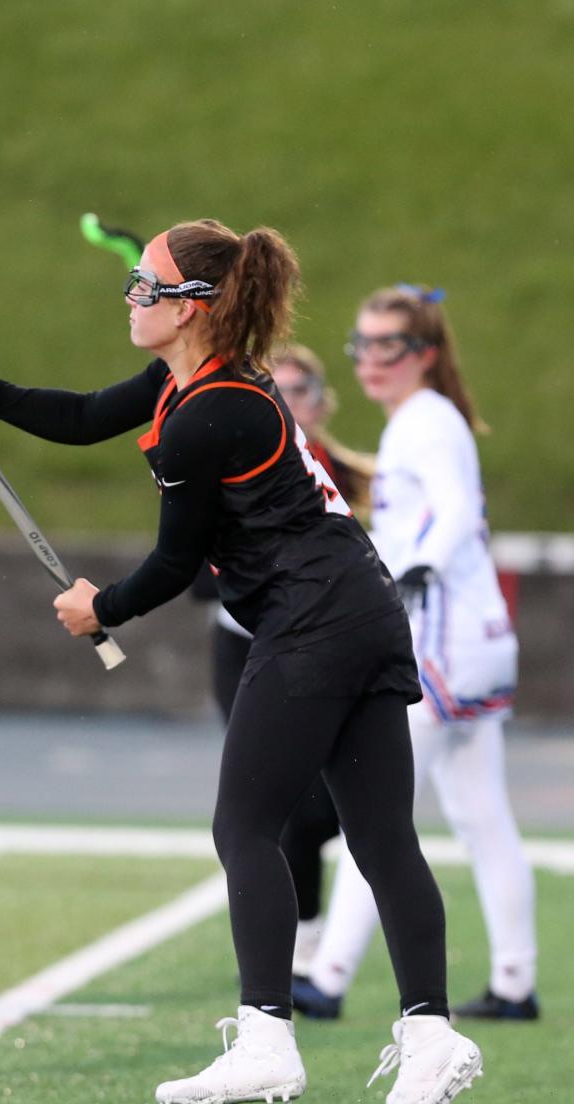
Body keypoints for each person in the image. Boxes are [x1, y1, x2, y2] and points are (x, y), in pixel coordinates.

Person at [0, 221, 482, 1104]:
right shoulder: (196, 378)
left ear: (193, 307)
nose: (130, 296)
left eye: (147, 284)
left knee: (243, 825)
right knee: (382, 836)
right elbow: (88, 414)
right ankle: (429, 1032)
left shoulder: (210, 413)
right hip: (360, 608)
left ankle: (267, 1036)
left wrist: (103, 608)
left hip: (311, 621)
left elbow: (176, 562)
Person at [292, 284, 539, 1023]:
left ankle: (329, 977)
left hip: (443, 641)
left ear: (423, 353)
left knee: (378, 812)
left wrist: (413, 567)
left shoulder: (427, 423)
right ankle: (515, 979)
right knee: (481, 815)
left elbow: (457, 510)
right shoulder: (422, 421)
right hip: (478, 640)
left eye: (387, 345)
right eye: (360, 344)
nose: (370, 360)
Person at [200, 346, 375, 976]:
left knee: (339, 803)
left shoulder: (356, 477)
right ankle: (301, 938)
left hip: (332, 644)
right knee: (282, 801)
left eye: (300, 390)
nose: (289, 401)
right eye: (278, 389)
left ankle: (312, 932)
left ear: (321, 400)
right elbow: (193, 572)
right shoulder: (230, 465)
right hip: (251, 646)